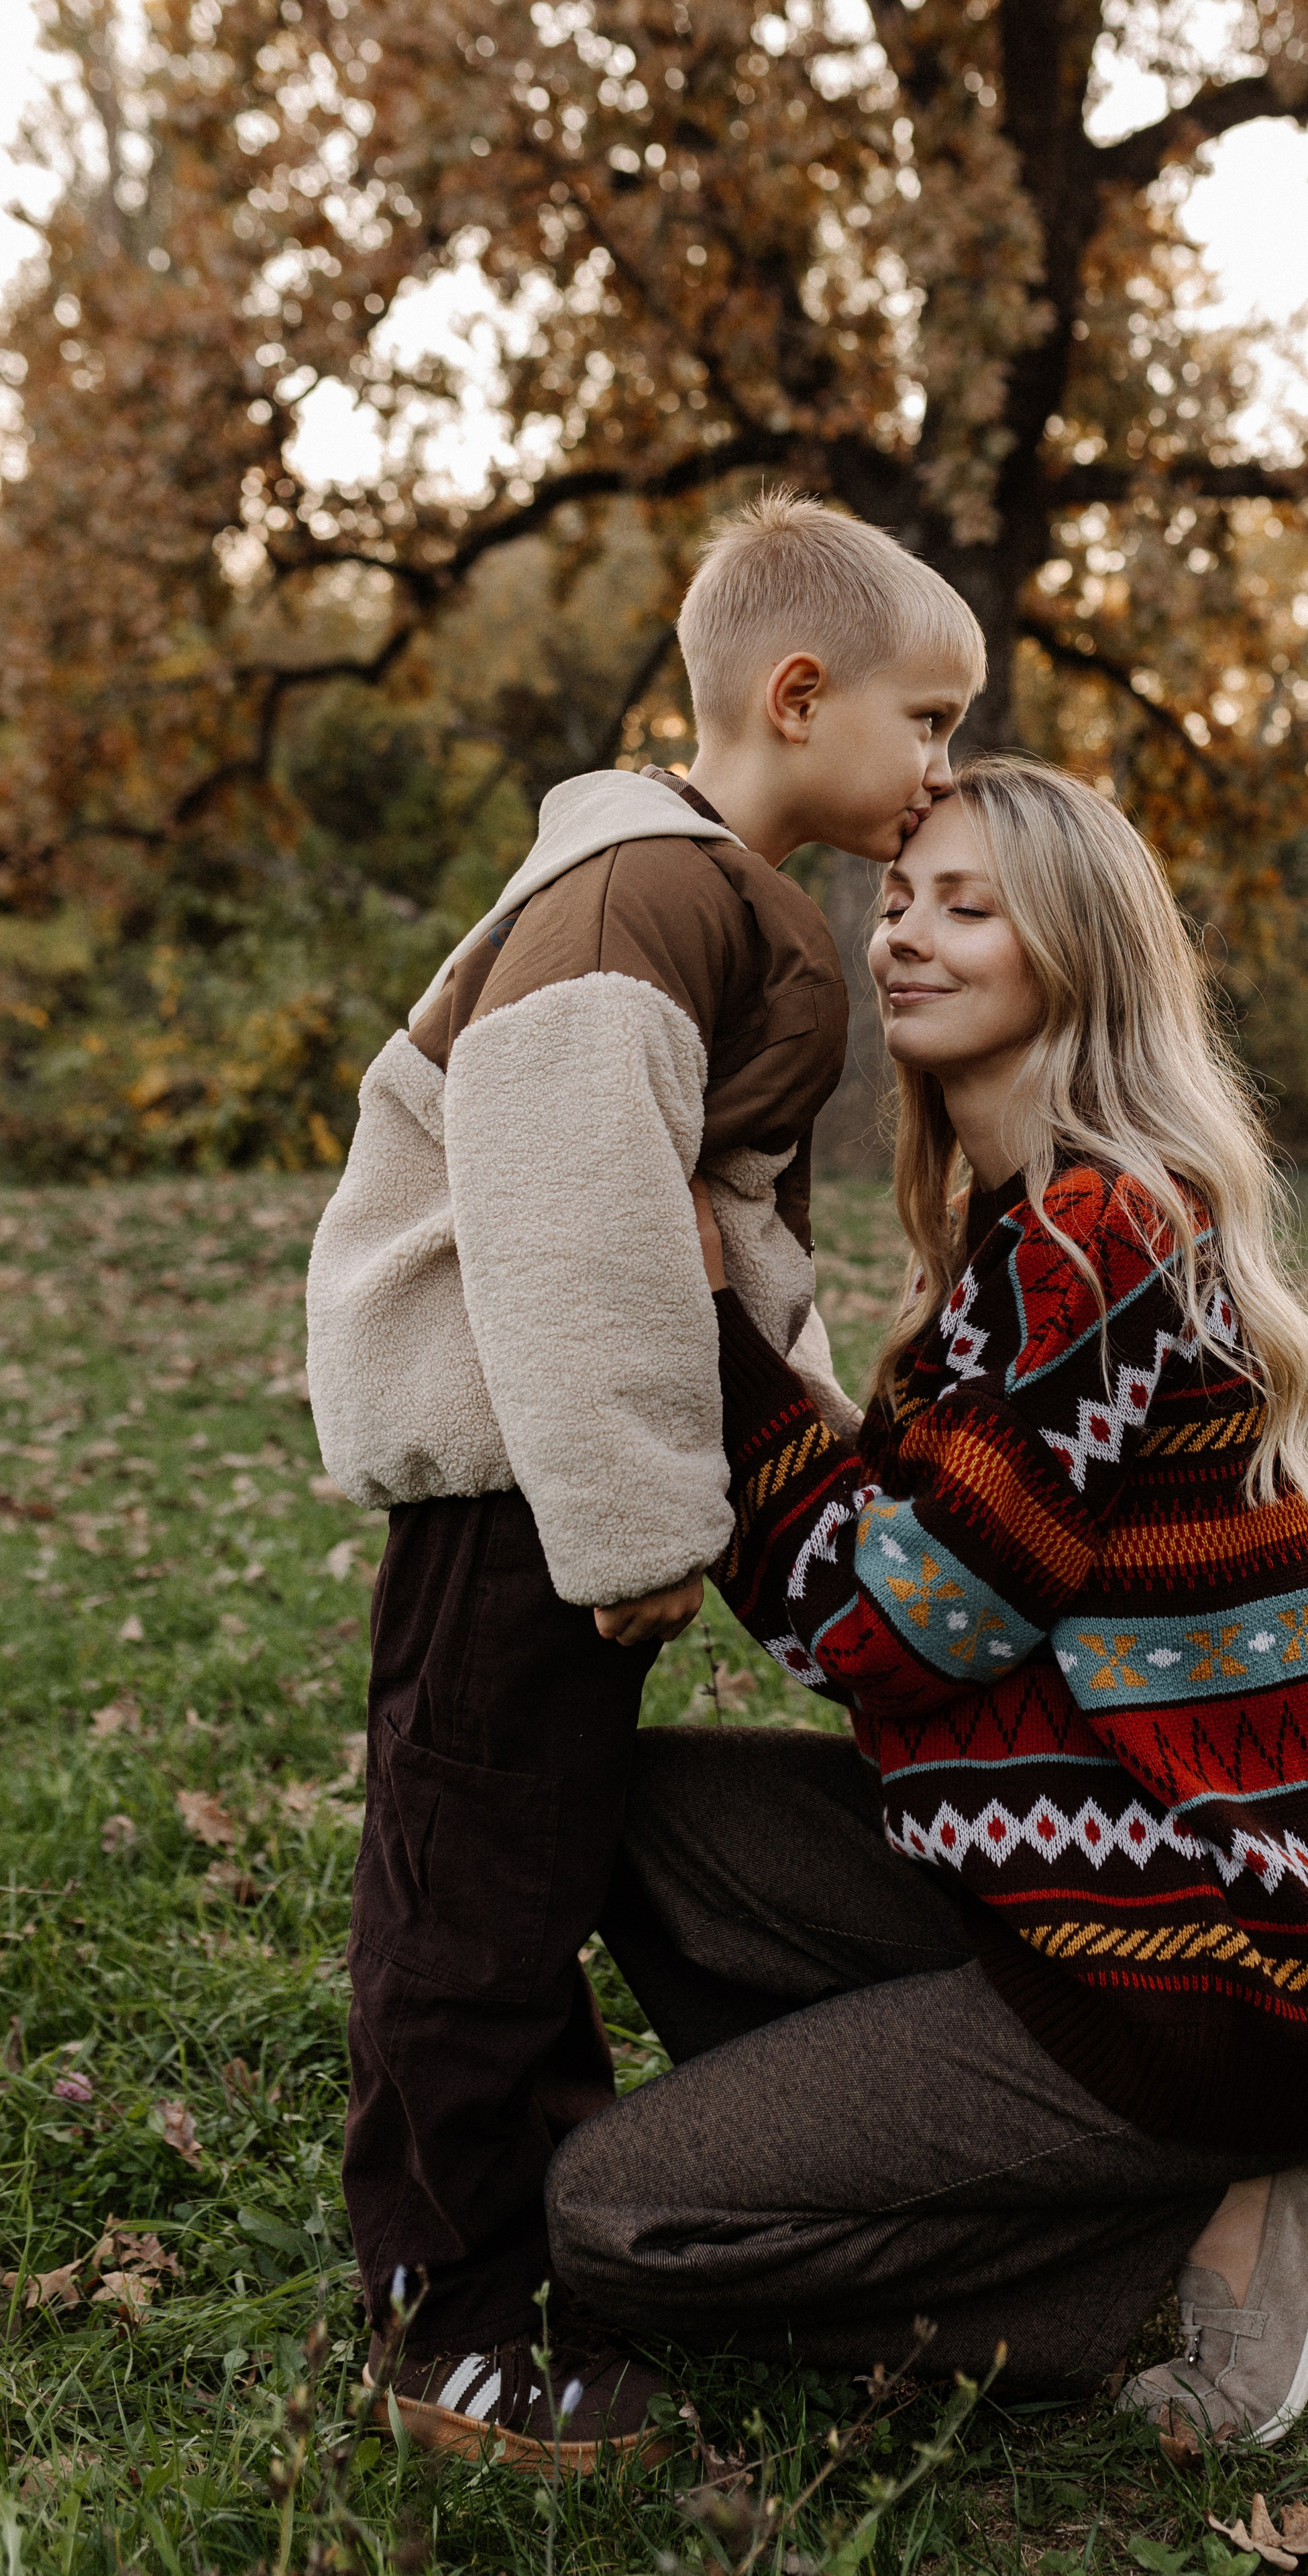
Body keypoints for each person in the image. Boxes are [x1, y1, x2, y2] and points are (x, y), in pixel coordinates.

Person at [547, 755, 1308, 2440]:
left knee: (612, 2222)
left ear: (1071, 955)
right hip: (1064, 1902)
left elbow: (891, 1630)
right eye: (897, 900)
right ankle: (1031, 2169)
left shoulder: (1097, 1239)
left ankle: (1173, 2240)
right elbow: (873, 1593)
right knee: (619, 1817)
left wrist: (700, 1324)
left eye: (967, 908)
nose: (902, 939)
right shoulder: (1016, 1243)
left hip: (1208, 1975)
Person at [304, 492, 985, 2471]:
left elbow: (701, 1228)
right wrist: (628, 1514)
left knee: (514, 1841)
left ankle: (521, 2238)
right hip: (522, 1474)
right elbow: (574, 1210)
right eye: (925, 721)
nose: (940, 768)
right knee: (475, 1883)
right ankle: (454, 2316)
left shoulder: (703, 901)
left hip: (558, 1469)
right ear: (798, 694)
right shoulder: (646, 900)